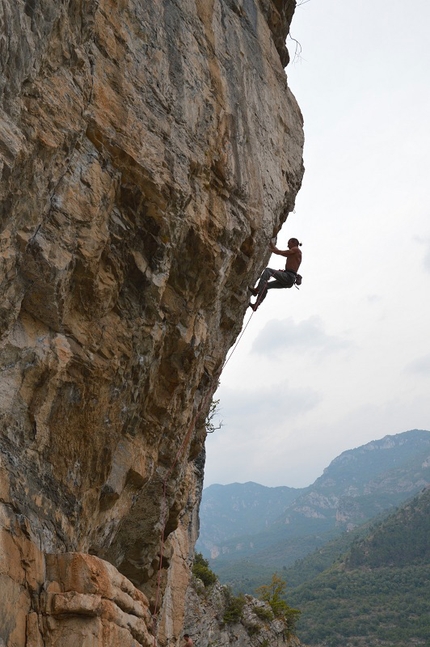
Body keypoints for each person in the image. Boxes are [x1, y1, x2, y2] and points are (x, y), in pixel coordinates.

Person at [249, 238, 302, 311]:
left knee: (268, 271)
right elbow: (279, 251)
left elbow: (280, 252)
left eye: (289, 243)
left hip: (289, 276)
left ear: (294, 242)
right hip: (289, 279)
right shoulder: (293, 253)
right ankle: (256, 305)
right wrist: (271, 244)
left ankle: (257, 290)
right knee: (265, 286)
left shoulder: (296, 250)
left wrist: (270, 250)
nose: (287, 245)